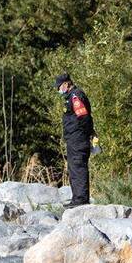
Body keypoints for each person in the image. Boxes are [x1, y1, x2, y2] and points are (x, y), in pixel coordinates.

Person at [54, 73, 95, 207]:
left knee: (78, 168)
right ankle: (77, 198)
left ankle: (81, 200)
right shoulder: (71, 97)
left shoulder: (76, 96)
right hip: (74, 139)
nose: (58, 89)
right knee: (74, 169)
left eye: (59, 86)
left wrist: (82, 135)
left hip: (78, 139)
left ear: (66, 84)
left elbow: (83, 117)